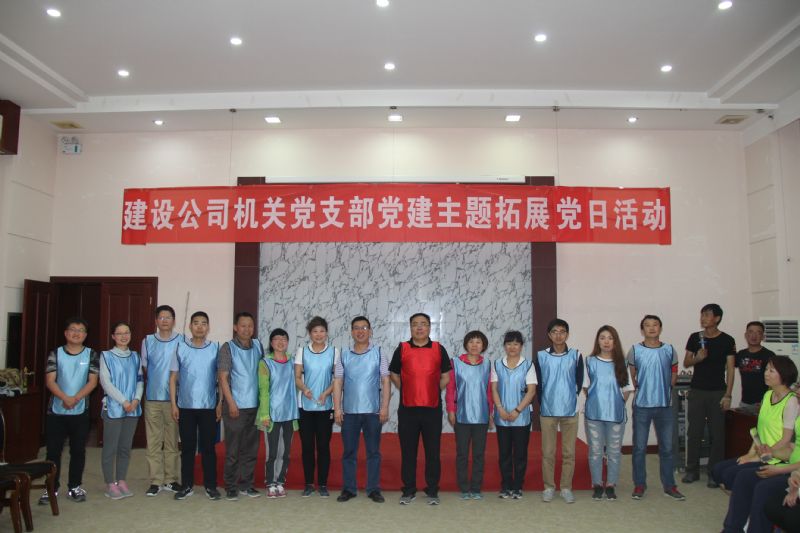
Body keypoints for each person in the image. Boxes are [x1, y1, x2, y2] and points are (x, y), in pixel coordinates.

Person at [718, 356, 799, 533]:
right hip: (768, 455)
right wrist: (751, 454)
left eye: (771, 370)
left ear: (784, 375)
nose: (766, 373)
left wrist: (765, 455)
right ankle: (733, 528)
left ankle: (743, 526)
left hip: (780, 459)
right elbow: (758, 432)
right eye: (766, 369)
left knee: (750, 482)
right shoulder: (767, 395)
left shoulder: (792, 401)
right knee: (724, 473)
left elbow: (787, 441)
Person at [389, 312, 451, 506]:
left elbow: (446, 376)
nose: (419, 327)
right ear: (410, 327)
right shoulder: (402, 348)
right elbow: (394, 373)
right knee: (408, 452)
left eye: (423, 324)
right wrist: (406, 389)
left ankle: (432, 490)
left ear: (429, 327)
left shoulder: (439, 349)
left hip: (432, 409)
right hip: (408, 409)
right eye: (415, 324)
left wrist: (433, 390)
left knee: (433, 452)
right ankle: (408, 490)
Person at [40, 317, 99, 504]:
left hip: (80, 411)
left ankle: (74, 486)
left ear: (85, 335)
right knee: (53, 452)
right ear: (66, 333)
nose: (76, 333)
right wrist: (65, 398)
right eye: (73, 329)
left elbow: (93, 382)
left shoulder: (91, 354)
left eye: (81, 330)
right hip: (56, 412)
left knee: (78, 450)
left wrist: (75, 398)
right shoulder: (55, 353)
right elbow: (50, 380)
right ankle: (51, 488)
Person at [333, 316, 391, 503]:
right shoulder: (344, 354)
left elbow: (386, 380)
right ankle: (349, 489)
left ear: (370, 331)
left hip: (373, 412)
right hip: (349, 412)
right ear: (351, 332)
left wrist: (384, 407)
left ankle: (373, 489)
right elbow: (338, 382)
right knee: (349, 452)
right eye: (356, 328)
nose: (360, 331)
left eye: (364, 328)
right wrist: (337, 408)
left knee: (373, 452)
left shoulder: (379, 352)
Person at [628, 314, 684, 501]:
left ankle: (669, 485)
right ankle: (639, 484)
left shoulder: (669, 350)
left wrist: (666, 388)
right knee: (639, 448)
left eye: (655, 325)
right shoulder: (635, 350)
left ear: (660, 328)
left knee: (667, 448)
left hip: (665, 406)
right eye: (647, 325)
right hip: (642, 406)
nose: (651, 328)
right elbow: (632, 375)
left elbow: (674, 374)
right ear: (642, 329)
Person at [682, 303, 736, 487]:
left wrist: (728, 395)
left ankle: (714, 472)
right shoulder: (695, 337)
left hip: (718, 391)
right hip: (697, 390)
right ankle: (692, 470)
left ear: (717, 318)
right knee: (694, 432)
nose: (703, 318)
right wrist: (697, 358)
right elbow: (687, 362)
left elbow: (731, 369)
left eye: (707, 315)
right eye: (702, 314)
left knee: (717, 434)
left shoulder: (727, 340)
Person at [169, 311, 221, 501]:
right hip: (185, 406)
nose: (200, 326)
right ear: (190, 326)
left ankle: (210, 486)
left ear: (208, 327)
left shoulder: (215, 348)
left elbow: (221, 378)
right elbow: (172, 378)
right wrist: (174, 404)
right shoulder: (180, 347)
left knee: (208, 448)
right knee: (188, 448)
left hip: (208, 406)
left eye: (204, 323)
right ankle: (187, 485)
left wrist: (220, 403)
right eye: (196, 323)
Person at [534, 318, 584, 504]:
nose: (558, 335)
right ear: (549, 335)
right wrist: (545, 402)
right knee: (548, 452)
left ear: (567, 334)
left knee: (569, 452)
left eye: (562, 332)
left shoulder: (576, 355)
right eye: (554, 332)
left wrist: (568, 398)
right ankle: (549, 487)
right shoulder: (541, 356)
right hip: (548, 410)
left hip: (570, 410)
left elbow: (579, 381)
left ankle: (566, 488)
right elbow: (538, 383)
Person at [583, 325, 633, 501]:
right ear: (598, 341)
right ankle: (597, 484)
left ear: (615, 341)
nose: (606, 341)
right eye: (602, 337)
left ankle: (611, 484)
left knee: (614, 451)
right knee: (595, 451)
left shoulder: (622, 363)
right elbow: (586, 387)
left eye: (610, 338)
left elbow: (626, 389)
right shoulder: (589, 361)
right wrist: (598, 401)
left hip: (615, 415)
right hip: (594, 414)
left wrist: (615, 403)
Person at [218, 312, 263, 501]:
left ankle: (247, 484)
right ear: (235, 327)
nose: (247, 329)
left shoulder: (258, 345)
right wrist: (230, 403)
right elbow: (223, 378)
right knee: (233, 450)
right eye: (243, 326)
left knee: (251, 449)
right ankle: (231, 486)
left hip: (255, 406)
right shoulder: (227, 348)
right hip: (235, 406)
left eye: (250, 326)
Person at [446, 330, 494, 500]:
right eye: (471, 341)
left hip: (481, 416)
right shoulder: (455, 363)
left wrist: (490, 413)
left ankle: (476, 488)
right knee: (462, 454)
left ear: (483, 345)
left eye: (478, 342)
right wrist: (451, 410)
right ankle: (464, 488)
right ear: (466, 344)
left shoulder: (487, 364)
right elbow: (450, 389)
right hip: (462, 415)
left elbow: (489, 392)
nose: (474, 345)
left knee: (479, 454)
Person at [294, 316, 338, 498]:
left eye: (322, 331)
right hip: (305, 407)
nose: (319, 334)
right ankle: (308, 484)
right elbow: (297, 377)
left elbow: (337, 378)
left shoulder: (334, 351)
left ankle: (323, 484)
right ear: (310, 333)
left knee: (323, 446)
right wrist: (304, 388)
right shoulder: (302, 351)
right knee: (307, 446)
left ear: (326, 333)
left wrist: (327, 392)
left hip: (326, 407)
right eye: (315, 331)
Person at [141, 304, 182, 496]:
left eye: (168, 317)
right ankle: (156, 481)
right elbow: (146, 368)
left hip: (174, 400)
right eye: (161, 317)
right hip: (152, 398)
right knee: (153, 441)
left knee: (172, 441)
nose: (164, 321)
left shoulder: (182, 340)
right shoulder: (148, 341)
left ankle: (171, 479)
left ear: (174, 321)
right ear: (156, 320)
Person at [100, 321, 143, 500]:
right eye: (119, 333)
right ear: (113, 336)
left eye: (127, 333)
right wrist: (124, 401)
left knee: (125, 447)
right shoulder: (106, 356)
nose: (123, 336)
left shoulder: (135, 356)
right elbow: (106, 382)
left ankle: (121, 480)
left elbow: (140, 380)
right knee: (110, 448)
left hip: (132, 408)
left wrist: (136, 400)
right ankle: (110, 483)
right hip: (114, 408)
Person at [491, 330, 535, 500]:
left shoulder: (528, 365)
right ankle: (506, 485)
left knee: (520, 453)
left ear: (521, 346)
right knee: (504, 453)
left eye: (516, 344)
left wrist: (517, 410)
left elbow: (531, 391)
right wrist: (500, 409)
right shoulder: (497, 364)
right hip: (502, 416)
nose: (512, 347)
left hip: (521, 417)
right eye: (509, 344)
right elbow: (494, 389)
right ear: (504, 346)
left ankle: (518, 486)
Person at [257, 328, 299, 498]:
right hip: (272, 415)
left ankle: (280, 481)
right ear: (271, 342)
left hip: (289, 414)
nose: (280, 342)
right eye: (277, 339)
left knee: (285, 452)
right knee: (272, 452)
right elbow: (263, 390)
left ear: (287, 342)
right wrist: (264, 415)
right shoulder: (265, 363)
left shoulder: (293, 362)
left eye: (284, 339)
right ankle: (270, 482)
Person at [735, 321, 775, 411]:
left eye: (758, 332)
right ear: (746, 335)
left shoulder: (769, 355)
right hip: (744, 402)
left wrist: (766, 401)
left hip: (762, 403)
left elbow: (774, 381)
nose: (754, 335)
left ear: (763, 336)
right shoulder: (741, 354)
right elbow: (727, 366)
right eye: (751, 332)